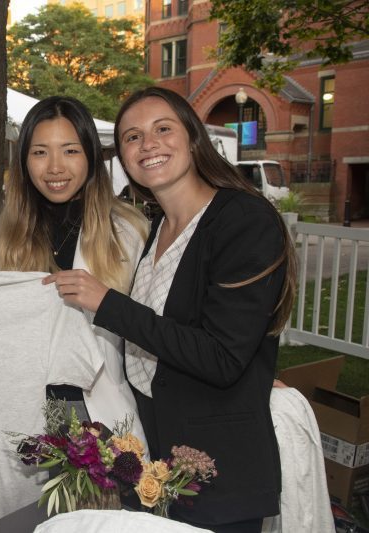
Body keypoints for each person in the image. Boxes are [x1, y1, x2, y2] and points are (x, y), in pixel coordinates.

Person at [44, 86, 297, 532]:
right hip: (156, 468)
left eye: (163, 129)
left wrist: (107, 304)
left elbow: (222, 358)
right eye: (132, 137)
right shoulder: (158, 227)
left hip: (218, 477)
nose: (148, 144)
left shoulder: (242, 219)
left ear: (193, 136)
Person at [0, 95, 149, 447]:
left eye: (70, 151)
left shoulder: (128, 233)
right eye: (40, 152)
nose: (55, 167)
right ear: (24, 161)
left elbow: (160, 327)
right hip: (22, 422)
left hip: (106, 420)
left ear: (91, 156)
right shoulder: (1, 241)